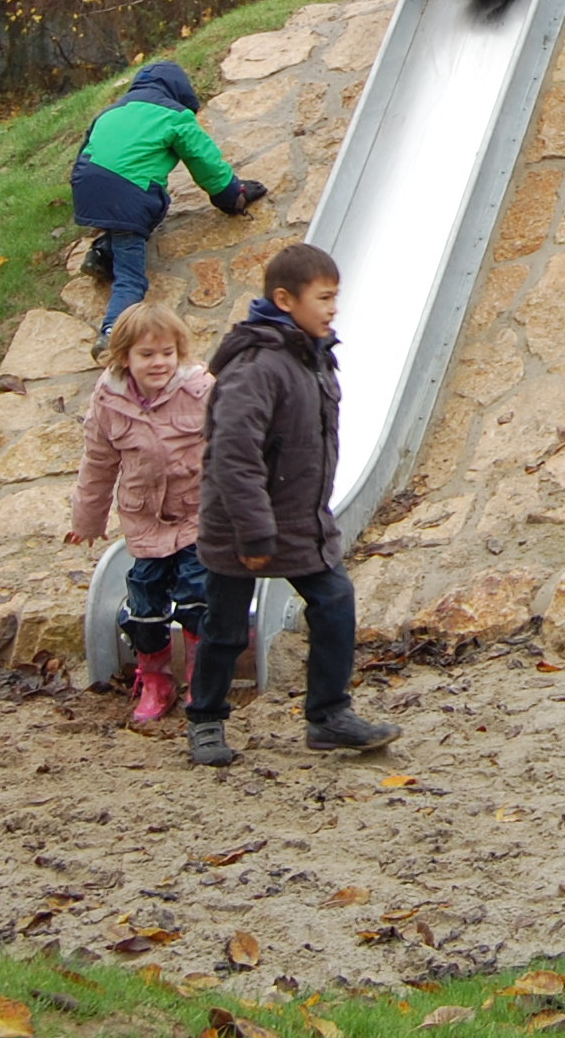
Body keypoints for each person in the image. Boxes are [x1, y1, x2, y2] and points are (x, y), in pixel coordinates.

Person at [183, 242, 400, 765]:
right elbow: (233, 457)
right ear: (284, 299)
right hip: (242, 525)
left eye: (335, 297)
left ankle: (328, 716)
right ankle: (206, 719)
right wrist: (255, 534)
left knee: (334, 603)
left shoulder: (314, 356)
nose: (333, 308)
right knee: (226, 628)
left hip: (301, 520)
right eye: (323, 297)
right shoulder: (255, 367)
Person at [64, 303, 215, 724]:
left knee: (197, 596)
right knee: (145, 604)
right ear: (125, 358)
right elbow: (98, 464)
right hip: (145, 522)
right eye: (147, 355)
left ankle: (200, 677)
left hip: (196, 515)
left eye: (167, 352)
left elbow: (236, 444)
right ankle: (154, 680)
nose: (159, 363)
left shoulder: (200, 390)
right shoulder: (110, 401)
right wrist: (87, 520)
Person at [71, 63, 267, 348]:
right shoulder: (175, 115)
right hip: (127, 193)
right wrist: (231, 195)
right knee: (131, 278)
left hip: (86, 185)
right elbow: (205, 163)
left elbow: (86, 152)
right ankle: (113, 332)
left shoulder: (110, 112)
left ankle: (103, 252)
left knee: (122, 219)